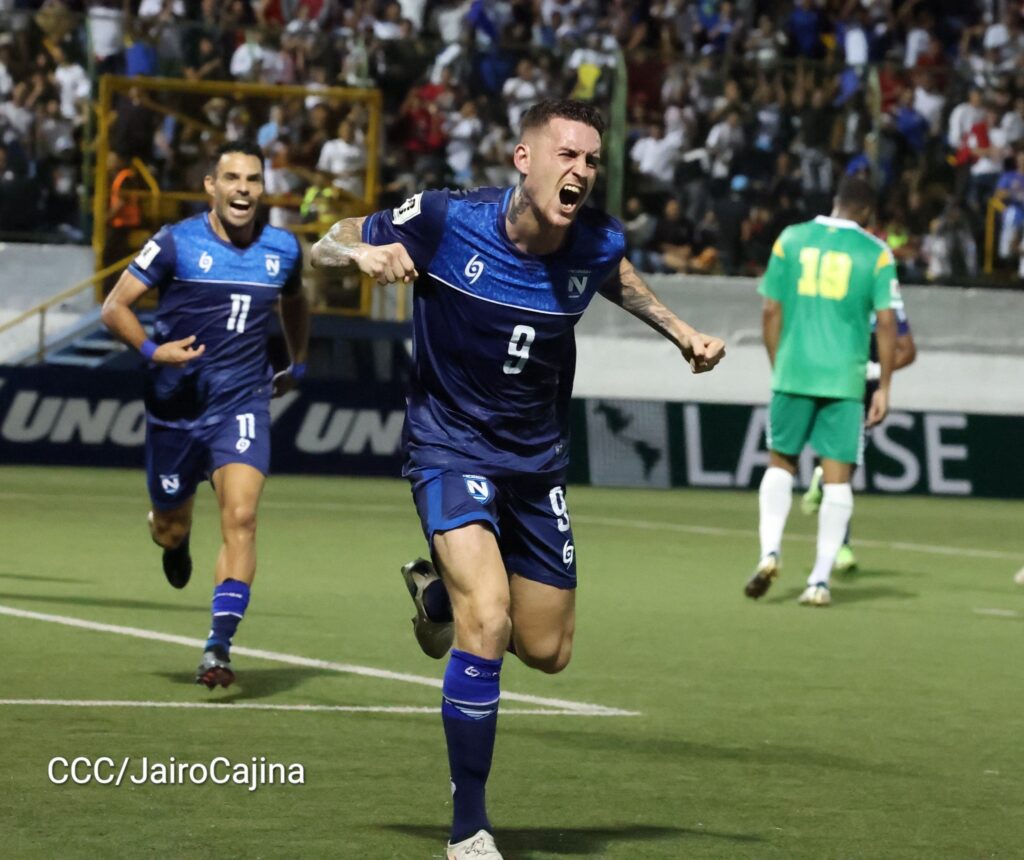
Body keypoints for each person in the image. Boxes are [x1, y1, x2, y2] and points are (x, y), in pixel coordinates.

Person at [310, 99, 726, 860]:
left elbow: (614, 273)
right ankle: (469, 828)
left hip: (536, 464)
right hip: (450, 447)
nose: (582, 171)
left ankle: (437, 594)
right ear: (523, 159)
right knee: (489, 619)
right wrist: (361, 256)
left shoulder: (594, 238)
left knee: (548, 648)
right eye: (567, 154)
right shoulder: (444, 219)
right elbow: (326, 242)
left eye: (592, 160)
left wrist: (681, 333)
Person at [100, 140, 310, 687]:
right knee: (170, 527)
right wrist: (153, 351)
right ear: (211, 186)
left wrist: (297, 359)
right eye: (232, 178)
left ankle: (218, 646)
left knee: (242, 517)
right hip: (176, 408)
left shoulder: (283, 249)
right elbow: (114, 307)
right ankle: (172, 535)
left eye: (253, 180)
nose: (244, 189)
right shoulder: (175, 243)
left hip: (242, 403)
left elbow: (294, 299)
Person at [745, 176, 899, 607]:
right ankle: (819, 581)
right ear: (867, 212)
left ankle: (769, 552)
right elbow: (888, 323)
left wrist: (780, 364)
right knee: (837, 481)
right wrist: (885, 386)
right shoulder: (876, 253)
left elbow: (770, 309)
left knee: (780, 465)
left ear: (835, 201)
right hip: (845, 380)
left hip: (793, 371)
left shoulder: (790, 239)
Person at [801, 305, 916, 571]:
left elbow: (908, 351)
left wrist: (874, 372)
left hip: (867, 394)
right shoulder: (838, 295)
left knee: (847, 467)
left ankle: (822, 478)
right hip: (835, 386)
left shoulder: (890, 302)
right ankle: (841, 546)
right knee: (842, 470)